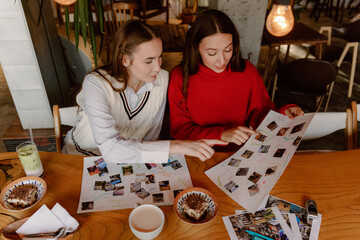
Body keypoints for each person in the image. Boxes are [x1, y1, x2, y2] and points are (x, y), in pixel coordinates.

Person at [64, 20, 226, 163]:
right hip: (81, 158)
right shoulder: (96, 83)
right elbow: (111, 149)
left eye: (159, 57)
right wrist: (177, 146)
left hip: (130, 160)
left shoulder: (161, 78)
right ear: (125, 59)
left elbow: (151, 136)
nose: (158, 67)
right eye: (148, 61)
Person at [168, 9, 304, 145]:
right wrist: (221, 134)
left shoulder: (247, 71)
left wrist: (283, 113)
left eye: (228, 50)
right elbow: (180, 131)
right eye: (212, 53)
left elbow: (260, 115)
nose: (222, 60)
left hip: (239, 152)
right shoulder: (179, 76)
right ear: (196, 48)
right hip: (196, 152)